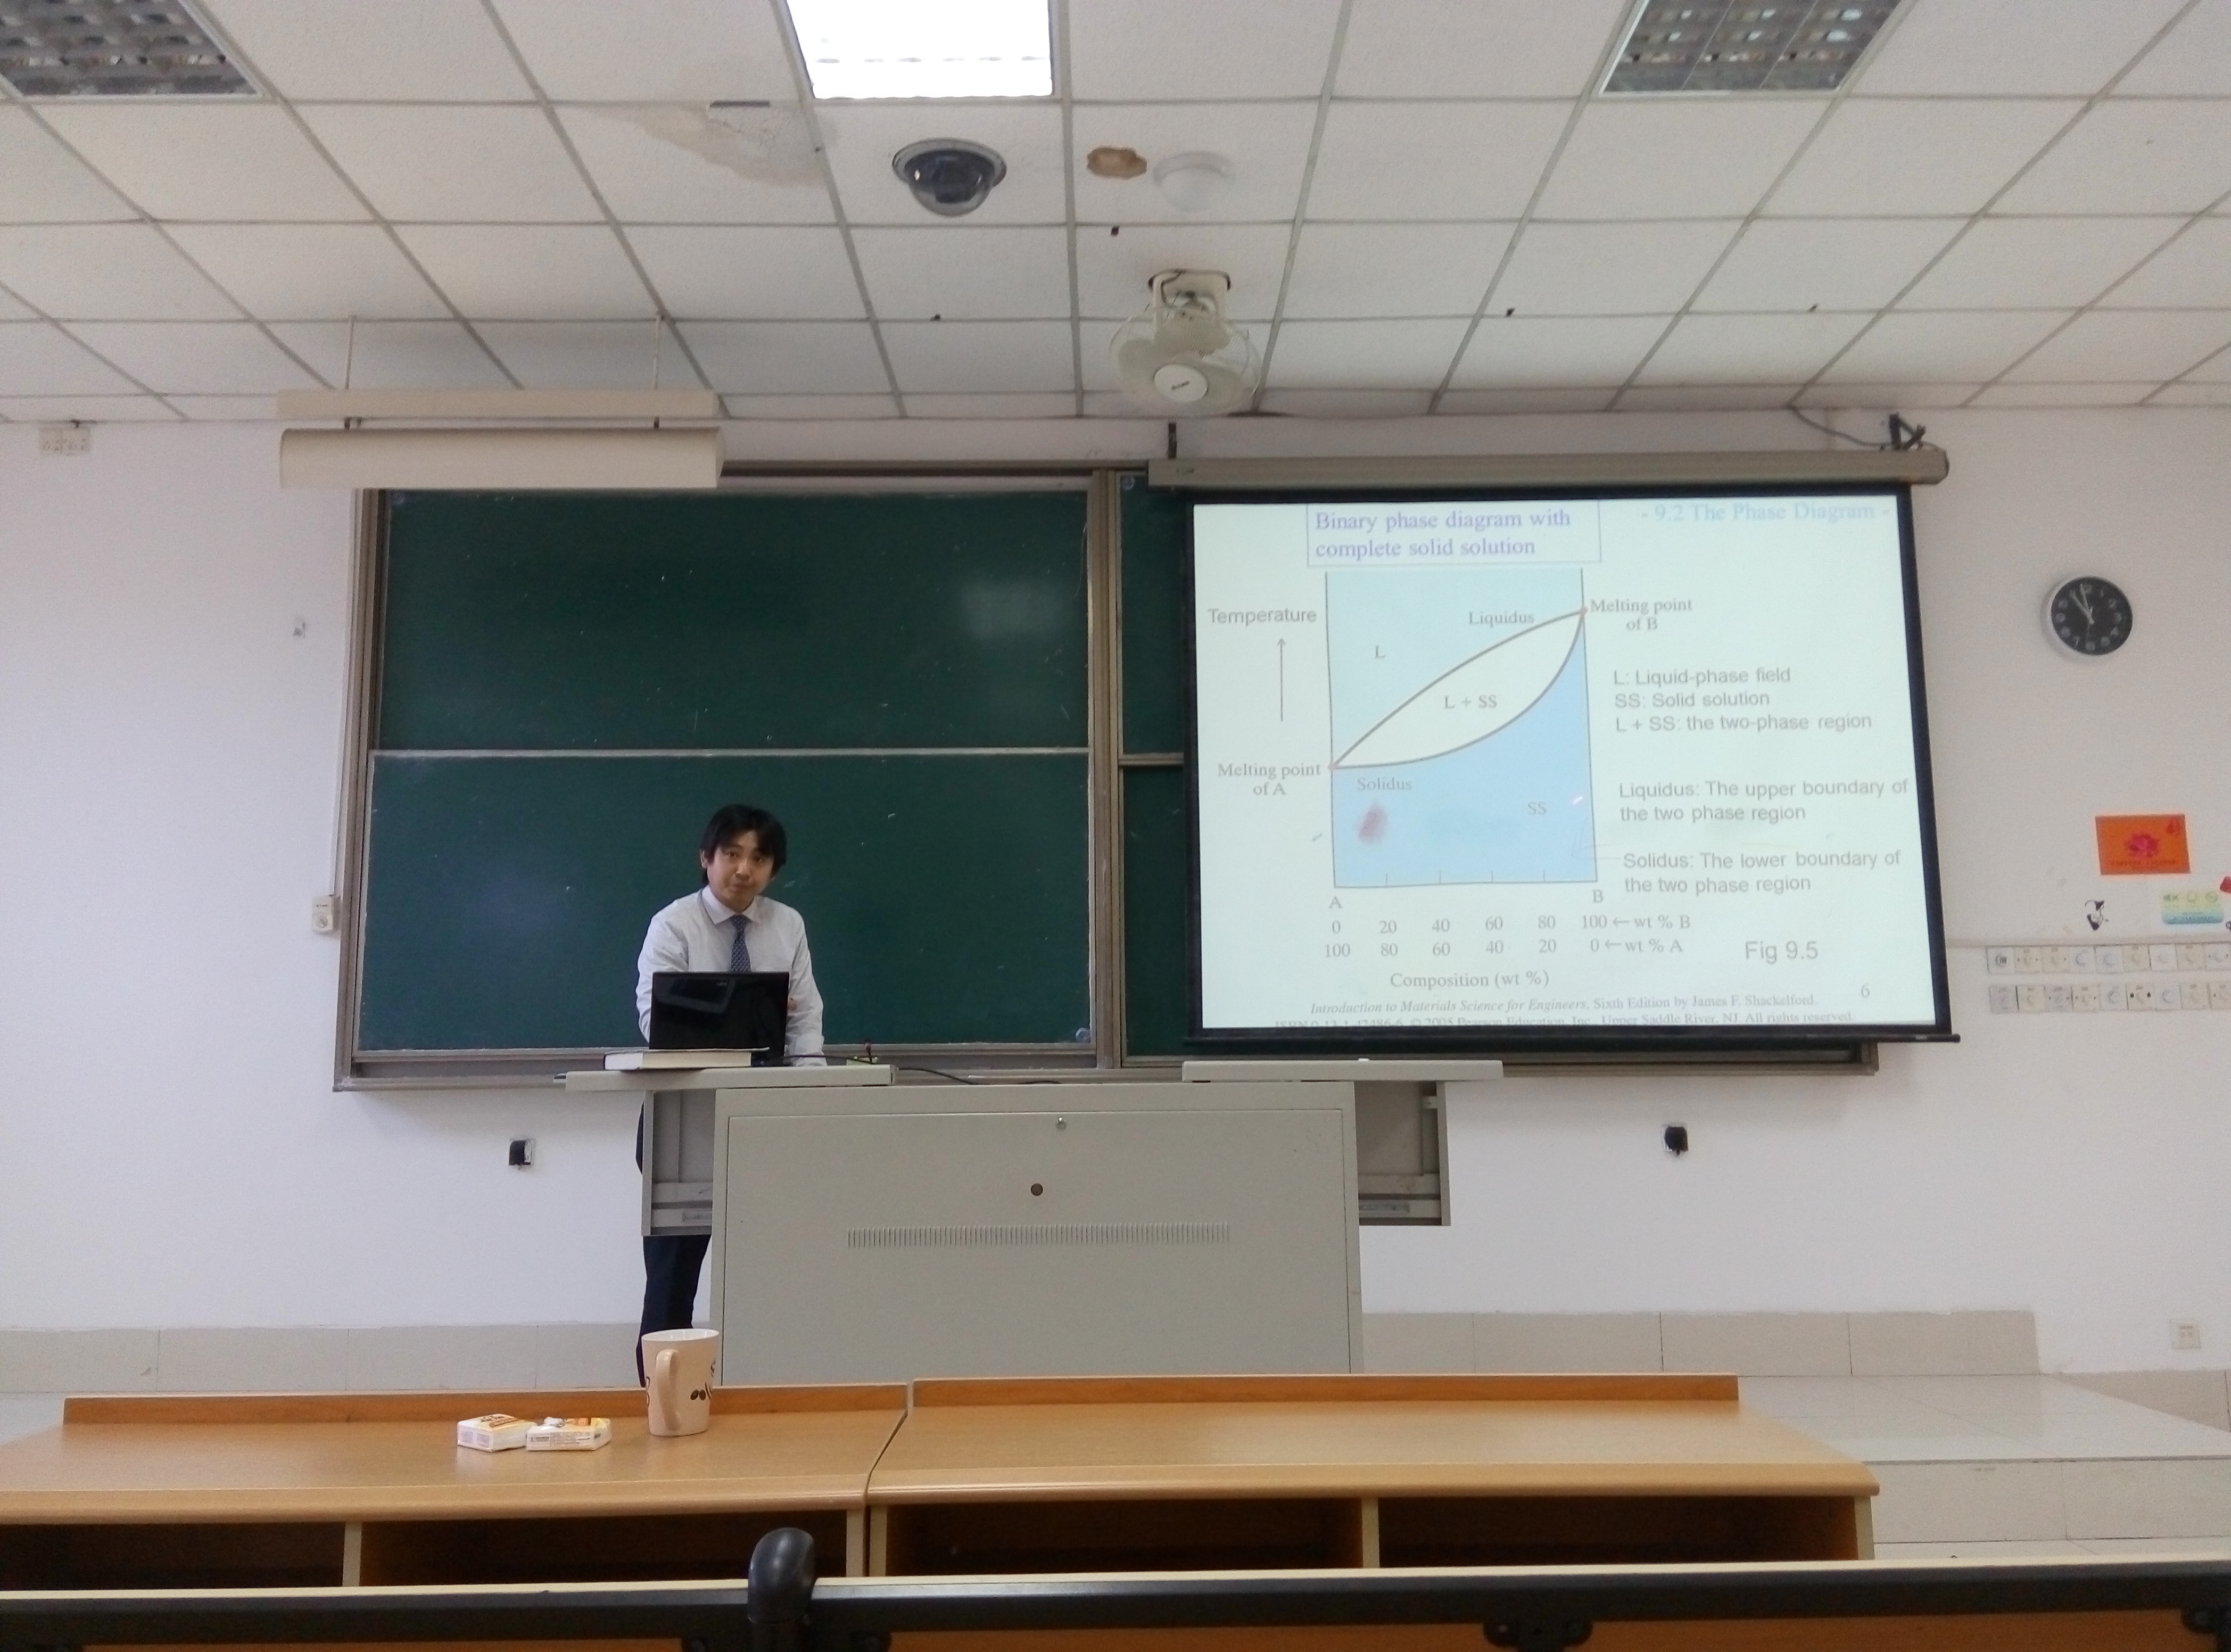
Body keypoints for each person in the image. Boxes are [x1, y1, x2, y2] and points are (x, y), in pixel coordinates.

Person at [632, 803, 824, 1376]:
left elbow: (804, 1019)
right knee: (673, 1274)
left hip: (766, 1116)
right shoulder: (674, 924)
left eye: (759, 858)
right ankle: (660, 1394)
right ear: (706, 858)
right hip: (684, 1118)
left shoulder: (787, 925)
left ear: (773, 869)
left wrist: (812, 1092)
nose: (744, 869)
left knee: (772, 1269)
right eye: (732, 854)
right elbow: (657, 1020)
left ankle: (763, 1386)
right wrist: (749, 1013)